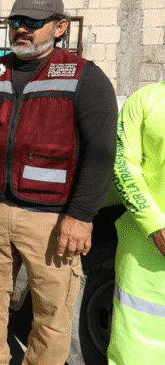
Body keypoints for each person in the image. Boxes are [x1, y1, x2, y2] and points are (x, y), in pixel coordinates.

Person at [0, 0, 117, 365]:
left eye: (33, 22)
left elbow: (100, 154)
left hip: (51, 219)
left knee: (52, 308)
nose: (22, 30)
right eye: (16, 22)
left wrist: (80, 217)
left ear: (60, 27)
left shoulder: (85, 78)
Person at [107, 81, 165, 365]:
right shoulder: (146, 100)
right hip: (146, 252)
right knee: (134, 351)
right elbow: (122, 163)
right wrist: (155, 225)